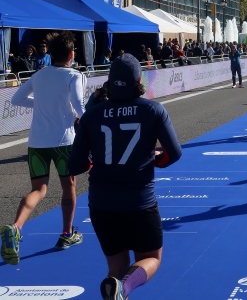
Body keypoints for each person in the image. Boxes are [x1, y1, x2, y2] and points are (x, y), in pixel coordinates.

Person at [69, 54, 182, 300]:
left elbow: (75, 165)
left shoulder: (92, 115)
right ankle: (124, 289)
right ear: (139, 80)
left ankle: (119, 289)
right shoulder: (152, 109)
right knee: (151, 258)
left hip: (102, 203)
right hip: (139, 201)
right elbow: (174, 153)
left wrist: (96, 159)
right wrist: (155, 159)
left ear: (109, 80)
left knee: (117, 269)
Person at [2, 32, 85, 266]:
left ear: (50, 53)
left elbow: (16, 100)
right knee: (68, 186)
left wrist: (40, 103)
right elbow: (78, 104)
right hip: (64, 141)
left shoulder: (39, 75)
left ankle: (16, 226)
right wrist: (90, 124)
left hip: (37, 142)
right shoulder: (74, 75)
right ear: (71, 55)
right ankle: (67, 233)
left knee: (38, 189)